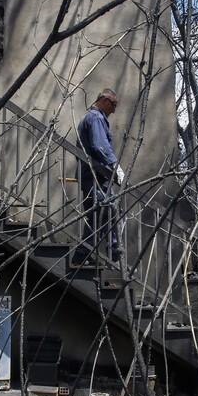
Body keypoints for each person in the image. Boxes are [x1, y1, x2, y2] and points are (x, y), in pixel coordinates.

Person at [72, 88, 125, 267]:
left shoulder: (93, 118)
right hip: (94, 177)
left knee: (97, 217)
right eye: (113, 105)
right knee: (111, 211)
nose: (114, 110)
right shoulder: (96, 118)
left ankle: (83, 254)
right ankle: (115, 249)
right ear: (104, 101)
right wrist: (114, 166)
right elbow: (99, 146)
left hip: (93, 177)